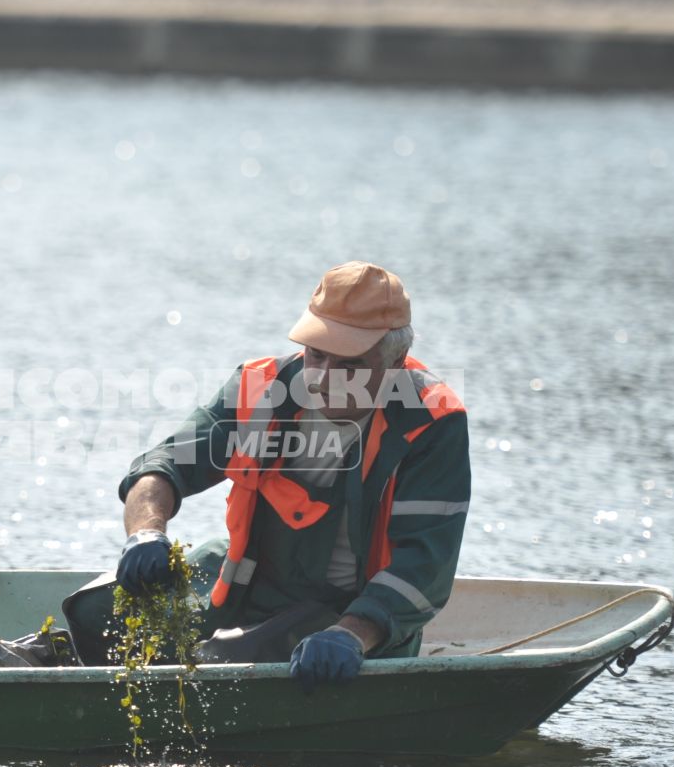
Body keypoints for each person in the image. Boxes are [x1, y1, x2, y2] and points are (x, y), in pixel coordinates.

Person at [114, 261, 470, 689]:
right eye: (316, 354)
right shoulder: (260, 387)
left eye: (350, 364)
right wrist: (146, 533)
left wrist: (350, 635)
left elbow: (423, 570)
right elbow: (163, 466)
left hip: (348, 617)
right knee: (98, 612)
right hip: (247, 591)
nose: (322, 378)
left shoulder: (431, 421)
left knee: (223, 661)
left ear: (393, 362)